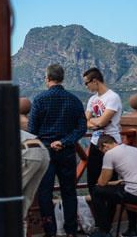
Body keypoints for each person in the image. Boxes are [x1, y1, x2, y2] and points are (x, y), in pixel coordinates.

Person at [28, 63, 86, 237]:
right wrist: (64, 141)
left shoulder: (39, 99)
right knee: (69, 191)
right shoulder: (74, 100)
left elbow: (32, 130)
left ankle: (50, 231)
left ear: (47, 78)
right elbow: (82, 127)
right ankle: (70, 231)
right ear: (62, 78)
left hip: (44, 153)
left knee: (45, 193)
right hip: (67, 152)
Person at [83, 67, 123, 190]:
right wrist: (95, 123)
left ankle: (109, 209)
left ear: (95, 81)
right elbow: (84, 121)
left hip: (111, 143)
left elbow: (101, 122)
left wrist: (94, 122)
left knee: (110, 181)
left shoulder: (113, 97)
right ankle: (97, 209)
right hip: (95, 143)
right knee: (92, 180)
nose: (86, 86)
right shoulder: (92, 99)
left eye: (86, 83)